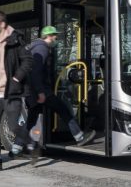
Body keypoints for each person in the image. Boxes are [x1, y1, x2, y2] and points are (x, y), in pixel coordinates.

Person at [26, 26, 96, 163]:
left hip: (33, 91)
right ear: (48, 36)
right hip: (42, 91)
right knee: (63, 109)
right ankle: (79, 136)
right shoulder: (42, 48)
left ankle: (25, 146)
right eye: (54, 36)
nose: (56, 39)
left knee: (31, 119)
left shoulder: (35, 47)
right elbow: (36, 72)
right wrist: (41, 91)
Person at [0, 10, 33, 172]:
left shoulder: (15, 40)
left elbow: (28, 61)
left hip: (11, 92)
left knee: (12, 126)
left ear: (2, 24)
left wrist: (17, 78)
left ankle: (31, 143)